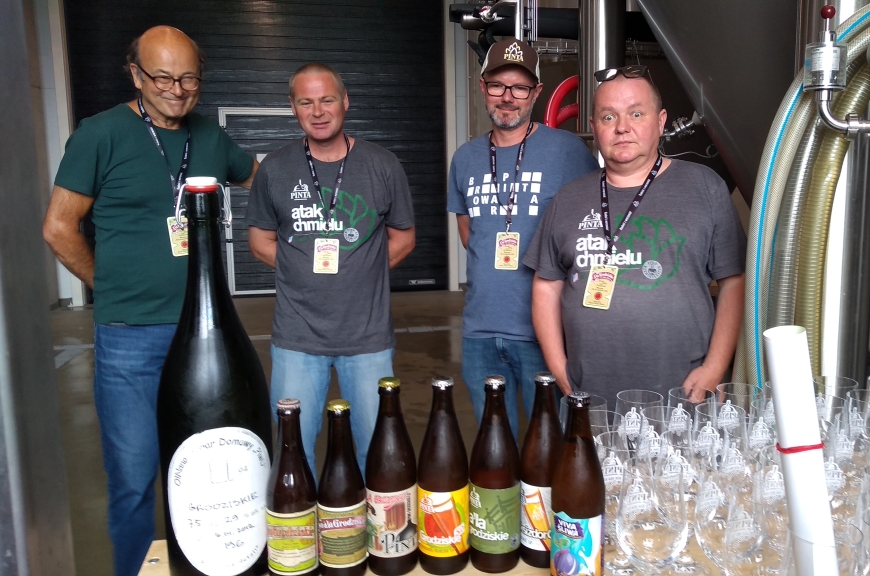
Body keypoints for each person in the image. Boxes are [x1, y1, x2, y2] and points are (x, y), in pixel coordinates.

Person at [41, 26, 258, 576]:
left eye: (189, 78)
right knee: (134, 477)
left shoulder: (210, 136)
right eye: (162, 77)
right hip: (130, 340)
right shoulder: (100, 135)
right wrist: (111, 285)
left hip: (207, 335)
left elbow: (266, 181)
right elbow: (59, 228)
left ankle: (217, 562)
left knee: (216, 471)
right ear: (135, 74)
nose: (176, 90)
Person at [524, 65, 745, 404]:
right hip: (590, 396)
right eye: (608, 117)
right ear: (594, 127)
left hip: (683, 394)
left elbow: (734, 281)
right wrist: (560, 370)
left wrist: (715, 368)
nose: (622, 127)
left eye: (636, 113)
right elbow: (546, 287)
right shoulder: (568, 198)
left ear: (660, 121)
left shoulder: (704, 187)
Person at [246, 63, 415, 476]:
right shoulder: (275, 169)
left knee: (378, 452)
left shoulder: (382, 164)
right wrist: (300, 270)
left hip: (367, 337)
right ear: (293, 107)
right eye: (306, 102)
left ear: (345, 101)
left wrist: (361, 271)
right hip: (297, 337)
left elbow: (404, 237)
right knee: (292, 453)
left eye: (327, 100)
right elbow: (260, 241)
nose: (318, 111)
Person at [448, 38, 598, 436]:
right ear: (483, 87)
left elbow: (594, 227)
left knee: (548, 444)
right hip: (480, 331)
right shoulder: (465, 158)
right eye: (498, 85)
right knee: (494, 443)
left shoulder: (568, 152)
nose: (507, 97)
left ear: (536, 92)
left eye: (519, 88)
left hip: (543, 333)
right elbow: (469, 232)